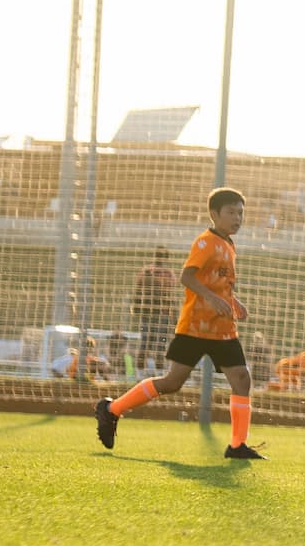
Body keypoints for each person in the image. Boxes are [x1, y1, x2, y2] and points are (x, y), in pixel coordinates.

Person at [96, 188, 263, 460]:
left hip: (222, 329)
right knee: (172, 382)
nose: (237, 218)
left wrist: (234, 302)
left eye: (241, 213)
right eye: (231, 212)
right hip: (196, 327)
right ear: (214, 214)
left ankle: (237, 445)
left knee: (242, 379)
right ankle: (111, 410)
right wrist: (212, 298)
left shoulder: (228, 245)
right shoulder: (205, 242)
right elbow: (187, 277)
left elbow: (218, 284)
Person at [130, 248, 177, 367]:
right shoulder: (168, 273)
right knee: (159, 344)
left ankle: (141, 372)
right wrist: (174, 316)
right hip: (160, 312)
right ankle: (157, 371)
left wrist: (135, 307)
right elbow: (171, 294)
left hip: (149, 312)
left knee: (146, 342)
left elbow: (138, 290)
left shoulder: (147, 271)